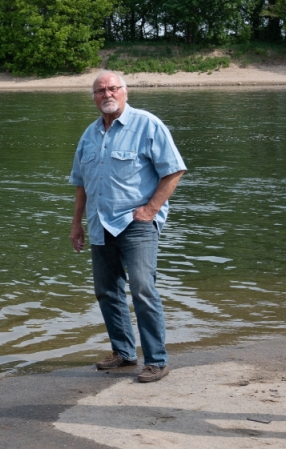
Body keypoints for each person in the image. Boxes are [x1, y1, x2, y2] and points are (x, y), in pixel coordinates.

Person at [69, 71, 187, 384]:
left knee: (143, 289)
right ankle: (123, 353)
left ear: (125, 91)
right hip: (99, 223)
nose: (106, 94)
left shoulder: (148, 124)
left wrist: (150, 209)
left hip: (136, 223)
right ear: (93, 97)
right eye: (100, 90)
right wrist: (76, 223)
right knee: (106, 291)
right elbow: (81, 183)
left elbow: (174, 171)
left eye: (112, 88)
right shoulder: (89, 134)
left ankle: (157, 361)